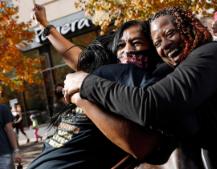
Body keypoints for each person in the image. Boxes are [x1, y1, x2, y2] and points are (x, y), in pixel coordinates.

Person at [64, 7, 217, 169]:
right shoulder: (184, 74)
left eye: (170, 33)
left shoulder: (213, 54)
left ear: (191, 26)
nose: (165, 45)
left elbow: (153, 105)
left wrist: (86, 84)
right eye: (157, 42)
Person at [30, 4, 183, 169]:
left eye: (137, 43)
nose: (127, 51)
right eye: (121, 45)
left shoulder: (143, 83)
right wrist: (45, 25)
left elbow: (146, 146)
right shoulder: (106, 73)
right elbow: (76, 57)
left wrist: (81, 99)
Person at [0, 104, 22, 169]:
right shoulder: (3, 108)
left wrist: (16, 151)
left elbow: (9, 130)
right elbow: (9, 130)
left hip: (3, 155)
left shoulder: (2, 109)